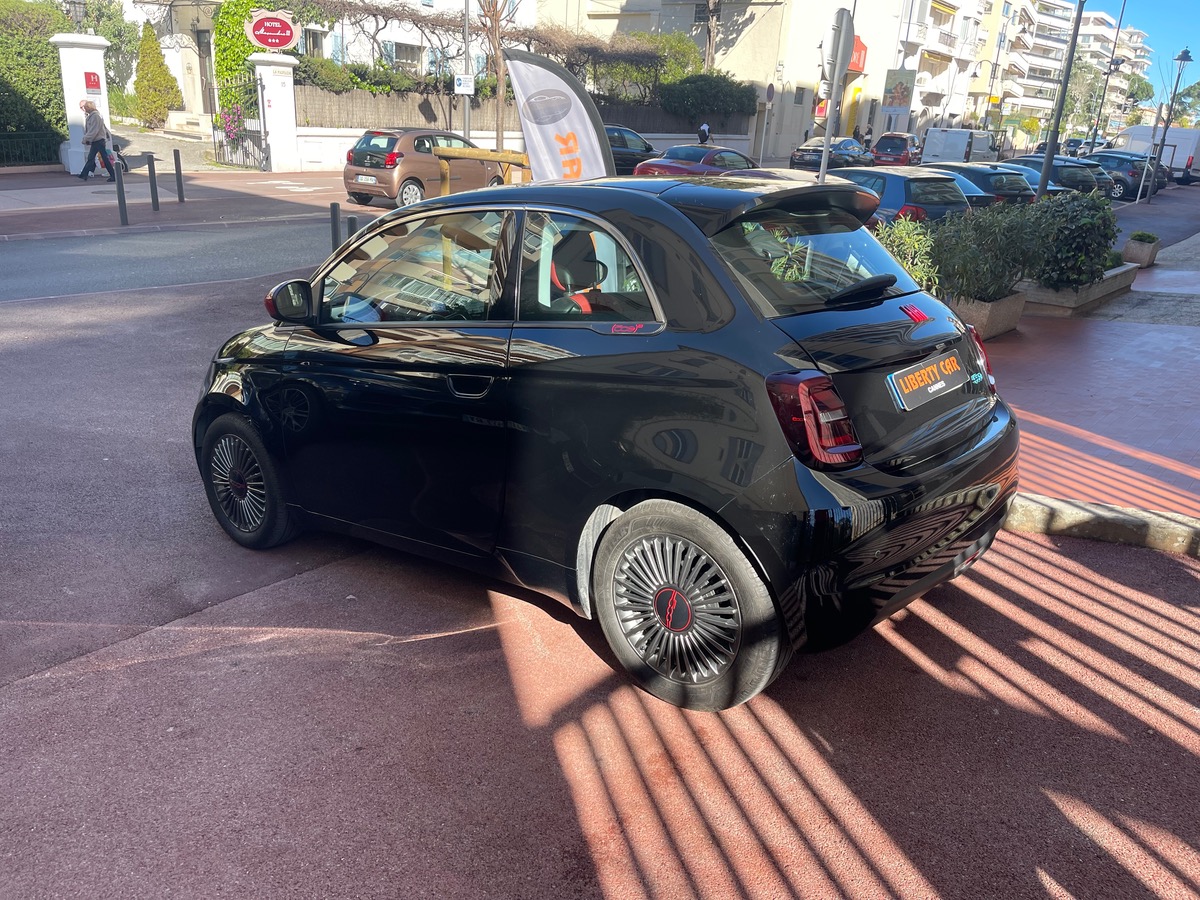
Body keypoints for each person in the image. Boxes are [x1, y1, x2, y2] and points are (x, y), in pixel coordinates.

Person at [77, 100, 115, 183]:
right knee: (94, 158)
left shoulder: (95, 116)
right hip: (97, 140)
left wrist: (86, 139)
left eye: (85, 107)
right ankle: (84, 174)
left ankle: (113, 175)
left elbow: (93, 130)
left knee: (99, 158)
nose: (84, 109)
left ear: (88, 108)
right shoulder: (93, 116)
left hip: (98, 140)